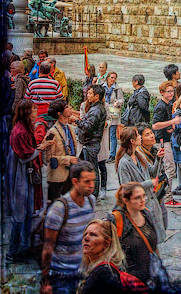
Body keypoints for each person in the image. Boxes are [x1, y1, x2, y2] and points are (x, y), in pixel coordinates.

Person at [6, 100, 52, 263]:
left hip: (25, 174)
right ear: (27, 113)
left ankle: (23, 248)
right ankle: (13, 251)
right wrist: (41, 147)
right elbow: (25, 155)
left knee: (26, 214)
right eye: (33, 110)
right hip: (21, 175)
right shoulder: (20, 131)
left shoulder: (24, 128)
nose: (35, 112)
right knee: (19, 215)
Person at [40, 162, 97, 294]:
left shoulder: (91, 201)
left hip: (83, 273)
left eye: (93, 180)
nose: (92, 185)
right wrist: (45, 281)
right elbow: (48, 247)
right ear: (75, 182)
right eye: (87, 181)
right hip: (61, 276)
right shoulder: (59, 209)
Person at [116, 126, 166, 243]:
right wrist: (149, 183)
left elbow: (153, 171)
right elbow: (127, 187)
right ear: (132, 141)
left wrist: (158, 158)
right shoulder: (124, 163)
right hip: (138, 207)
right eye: (138, 135)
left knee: (154, 240)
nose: (140, 137)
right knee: (146, 240)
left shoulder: (139, 156)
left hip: (151, 203)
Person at [109, 181, 159, 284]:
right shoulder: (116, 219)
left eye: (144, 196)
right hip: (129, 280)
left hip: (150, 276)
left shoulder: (146, 213)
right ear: (126, 201)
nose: (143, 200)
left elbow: (154, 246)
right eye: (137, 198)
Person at [77, 219, 135, 294]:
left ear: (106, 243)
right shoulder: (101, 270)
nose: (86, 238)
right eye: (85, 234)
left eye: (93, 235)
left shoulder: (103, 273)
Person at [152, 80, 181, 206]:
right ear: (162, 93)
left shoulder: (168, 104)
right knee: (169, 169)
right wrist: (172, 122)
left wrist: (170, 127)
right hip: (162, 141)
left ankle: (161, 195)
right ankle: (168, 198)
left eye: (172, 91)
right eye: (168, 91)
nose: (171, 93)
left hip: (165, 138)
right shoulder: (161, 106)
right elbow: (155, 125)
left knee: (164, 169)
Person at [76, 83, 107, 197]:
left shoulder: (96, 110)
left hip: (91, 144)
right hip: (90, 143)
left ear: (97, 96)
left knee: (92, 170)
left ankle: (93, 194)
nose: (88, 95)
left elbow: (88, 127)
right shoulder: (95, 108)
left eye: (90, 93)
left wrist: (77, 121)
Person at [45, 99, 78, 201]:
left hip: (70, 175)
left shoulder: (70, 128)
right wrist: (68, 159)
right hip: (58, 178)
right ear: (60, 114)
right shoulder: (52, 132)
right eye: (67, 107)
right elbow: (49, 157)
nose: (70, 108)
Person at [140, 125, 169, 228]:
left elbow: (160, 170)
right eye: (147, 135)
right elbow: (152, 173)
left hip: (158, 189)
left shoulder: (155, 149)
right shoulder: (140, 154)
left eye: (151, 133)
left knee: (164, 215)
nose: (152, 136)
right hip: (149, 191)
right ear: (140, 139)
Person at [103, 70, 124, 162]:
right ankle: (104, 153)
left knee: (112, 135)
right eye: (111, 77)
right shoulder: (102, 86)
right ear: (107, 78)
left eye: (115, 78)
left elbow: (122, 100)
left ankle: (112, 155)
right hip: (104, 113)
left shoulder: (117, 89)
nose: (113, 79)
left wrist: (118, 102)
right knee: (104, 134)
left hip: (113, 114)